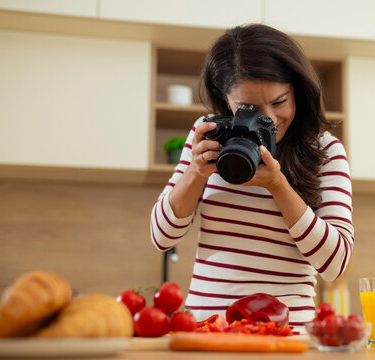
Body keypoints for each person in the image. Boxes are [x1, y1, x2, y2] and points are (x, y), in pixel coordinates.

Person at [150, 24, 353, 330]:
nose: (269, 118)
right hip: (208, 330)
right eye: (248, 107)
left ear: (296, 90)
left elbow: (334, 264)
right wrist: (195, 173)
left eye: (280, 101)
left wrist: (277, 184)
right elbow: (162, 237)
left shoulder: (325, 151)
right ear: (224, 98)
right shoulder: (207, 135)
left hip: (286, 335)